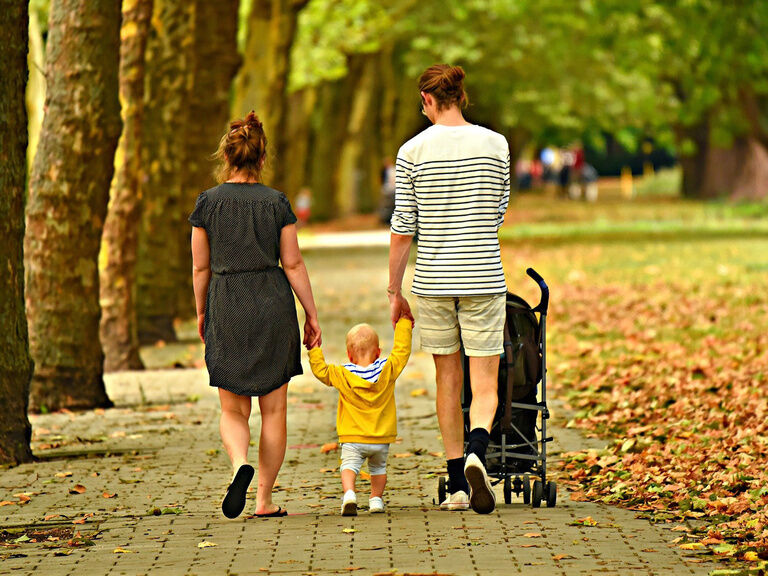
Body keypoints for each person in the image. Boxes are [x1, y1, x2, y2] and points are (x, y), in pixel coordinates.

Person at [387, 64, 510, 515]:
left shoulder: (411, 151)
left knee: (446, 378)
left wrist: (393, 289)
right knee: (484, 380)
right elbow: (499, 211)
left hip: (434, 281)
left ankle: (457, 482)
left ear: (428, 101)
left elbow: (403, 228)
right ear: (462, 96)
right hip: (482, 275)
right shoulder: (496, 145)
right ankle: (480, 448)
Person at [189, 112, 322, 519]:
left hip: (227, 302)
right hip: (272, 302)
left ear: (226, 157)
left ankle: (238, 465)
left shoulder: (207, 204)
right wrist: (311, 315)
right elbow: (294, 264)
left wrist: (201, 312)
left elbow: (200, 268)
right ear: (262, 159)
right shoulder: (276, 202)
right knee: (275, 411)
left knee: (233, 410)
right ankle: (263, 500)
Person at [308, 319, 412, 516]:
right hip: (381, 438)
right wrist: (404, 324)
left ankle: (349, 494)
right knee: (378, 469)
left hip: (352, 438)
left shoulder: (342, 374)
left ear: (349, 354)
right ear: (378, 352)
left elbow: (321, 371)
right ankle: (376, 500)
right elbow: (402, 353)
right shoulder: (387, 369)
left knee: (348, 466)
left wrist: (314, 348)